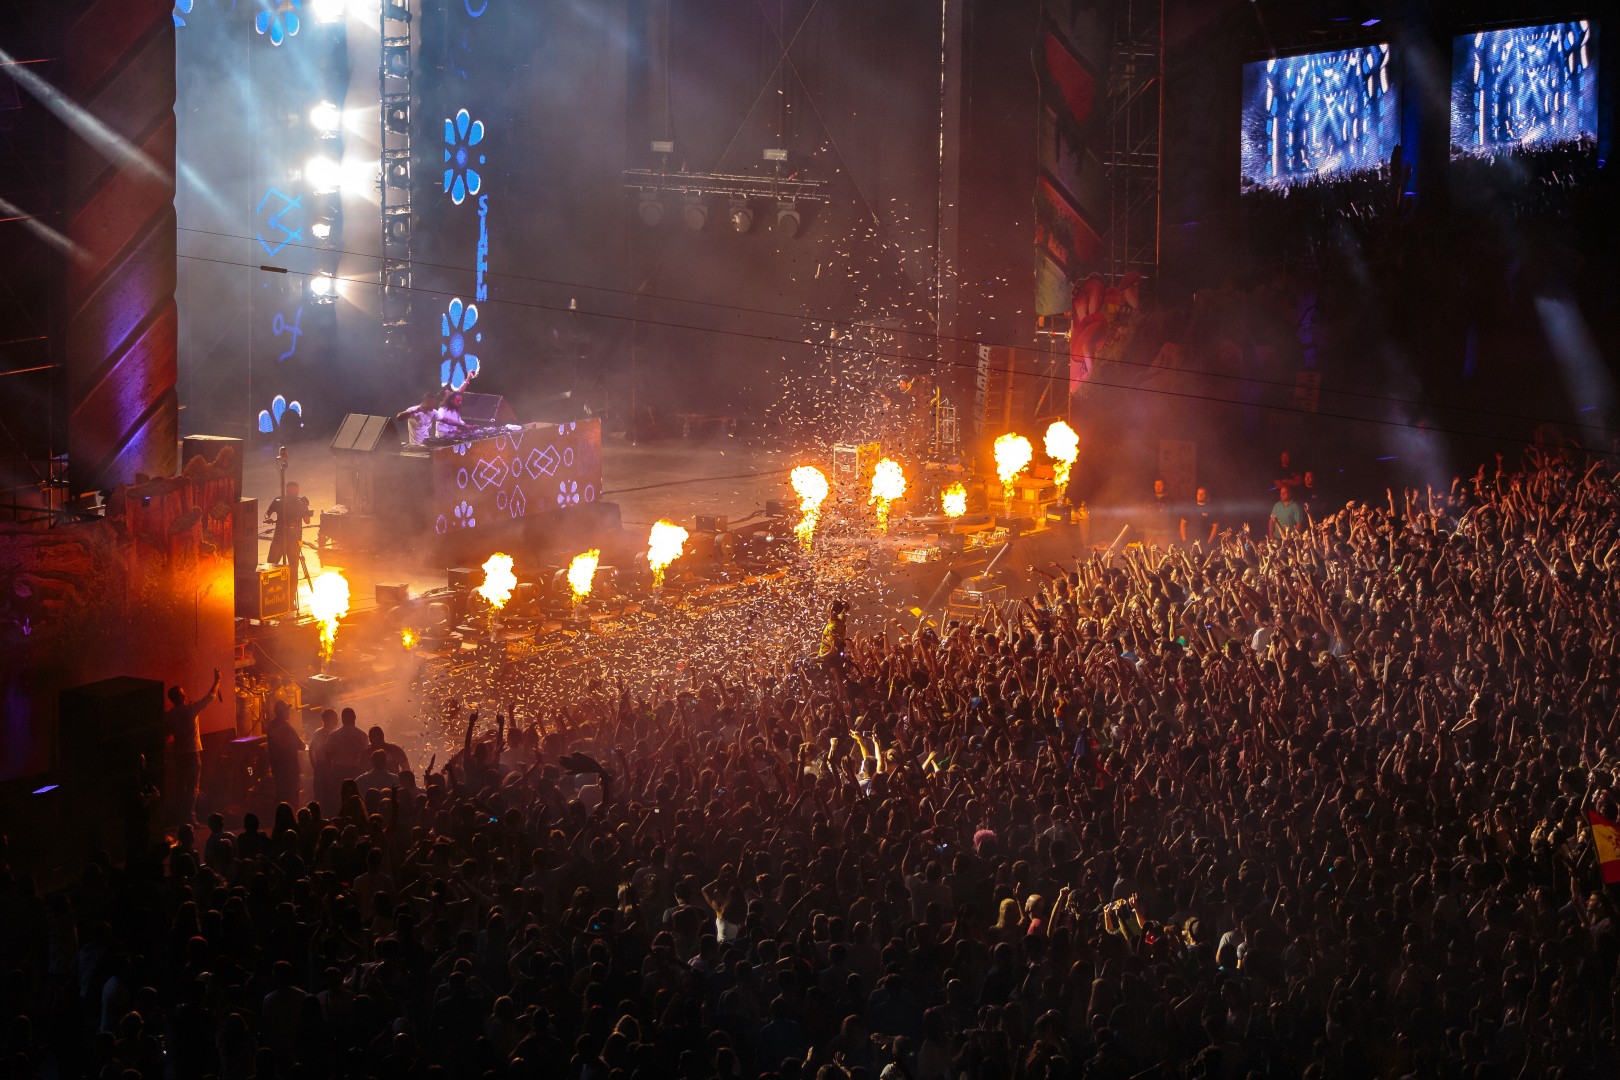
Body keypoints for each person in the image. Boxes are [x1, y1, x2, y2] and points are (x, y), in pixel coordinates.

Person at [164, 668, 221, 826]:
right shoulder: (190, 710)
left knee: (180, 787)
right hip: (192, 754)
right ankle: (190, 819)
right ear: (182, 696)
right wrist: (217, 680)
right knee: (193, 788)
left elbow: (167, 733)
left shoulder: (169, 715)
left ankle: (179, 818)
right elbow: (211, 696)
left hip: (178, 754)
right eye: (183, 692)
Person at [265, 699, 305, 808]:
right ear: (282, 712)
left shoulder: (271, 726)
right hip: (290, 768)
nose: (288, 713)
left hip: (278, 768)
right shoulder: (287, 727)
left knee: (281, 796)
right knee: (292, 797)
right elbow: (301, 746)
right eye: (287, 711)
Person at [265, 481, 312, 566]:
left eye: (297, 492)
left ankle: (292, 579)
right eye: (293, 492)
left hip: (295, 539)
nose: (295, 494)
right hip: (279, 537)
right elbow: (267, 512)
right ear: (287, 491)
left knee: (293, 566)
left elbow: (307, 521)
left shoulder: (301, 503)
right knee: (271, 564)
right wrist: (268, 518)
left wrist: (305, 507)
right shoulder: (278, 501)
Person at [326, 707, 371, 788]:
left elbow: (328, 754)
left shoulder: (333, 735)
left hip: (338, 771)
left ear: (342, 719)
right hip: (356, 770)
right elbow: (365, 755)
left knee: (339, 795)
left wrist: (329, 772)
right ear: (354, 717)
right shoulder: (362, 735)